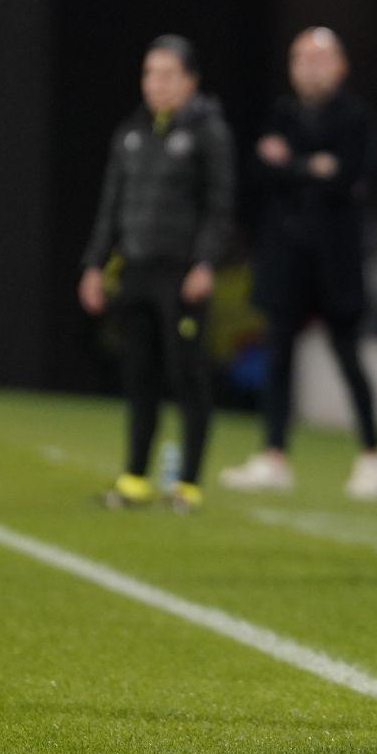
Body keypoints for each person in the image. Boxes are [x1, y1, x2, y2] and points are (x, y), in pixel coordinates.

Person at [220, 28, 377, 499]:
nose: (309, 68)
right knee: (278, 354)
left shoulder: (356, 118)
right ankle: (274, 454)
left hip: (335, 258)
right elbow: (260, 171)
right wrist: (311, 166)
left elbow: (346, 177)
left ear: (340, 66)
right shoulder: (281, 112)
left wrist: (291, 164)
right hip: (286, 254)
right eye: (300, 59)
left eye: (319, 58)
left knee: (347, 354)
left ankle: (372, 452)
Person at [80, 36, 235, 514]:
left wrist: (205, 262)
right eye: (150, 73)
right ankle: (135, 478)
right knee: (139, 375)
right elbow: (111, 206)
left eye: (168, 74)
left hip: (181, 275)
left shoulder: (208, 132)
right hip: (136, 272)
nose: (157, 84)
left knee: (187, 377)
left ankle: (187, 484)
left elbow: (219, 206)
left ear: (190, 80)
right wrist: (93, 264)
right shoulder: (132, 132)